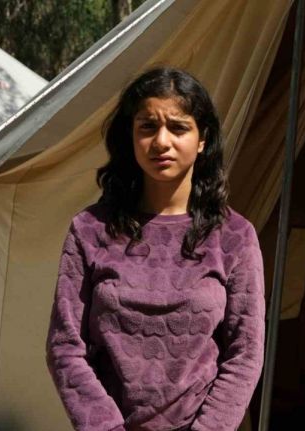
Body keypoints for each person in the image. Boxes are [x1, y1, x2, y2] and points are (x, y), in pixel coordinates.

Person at [45, 66, 266, 431]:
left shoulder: (234, 237)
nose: (161, 141)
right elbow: (65, 346)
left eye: (178, 127)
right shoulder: (90, 230)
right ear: (130, 136)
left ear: (202, 139)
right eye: (148, 126)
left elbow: (245, 353)